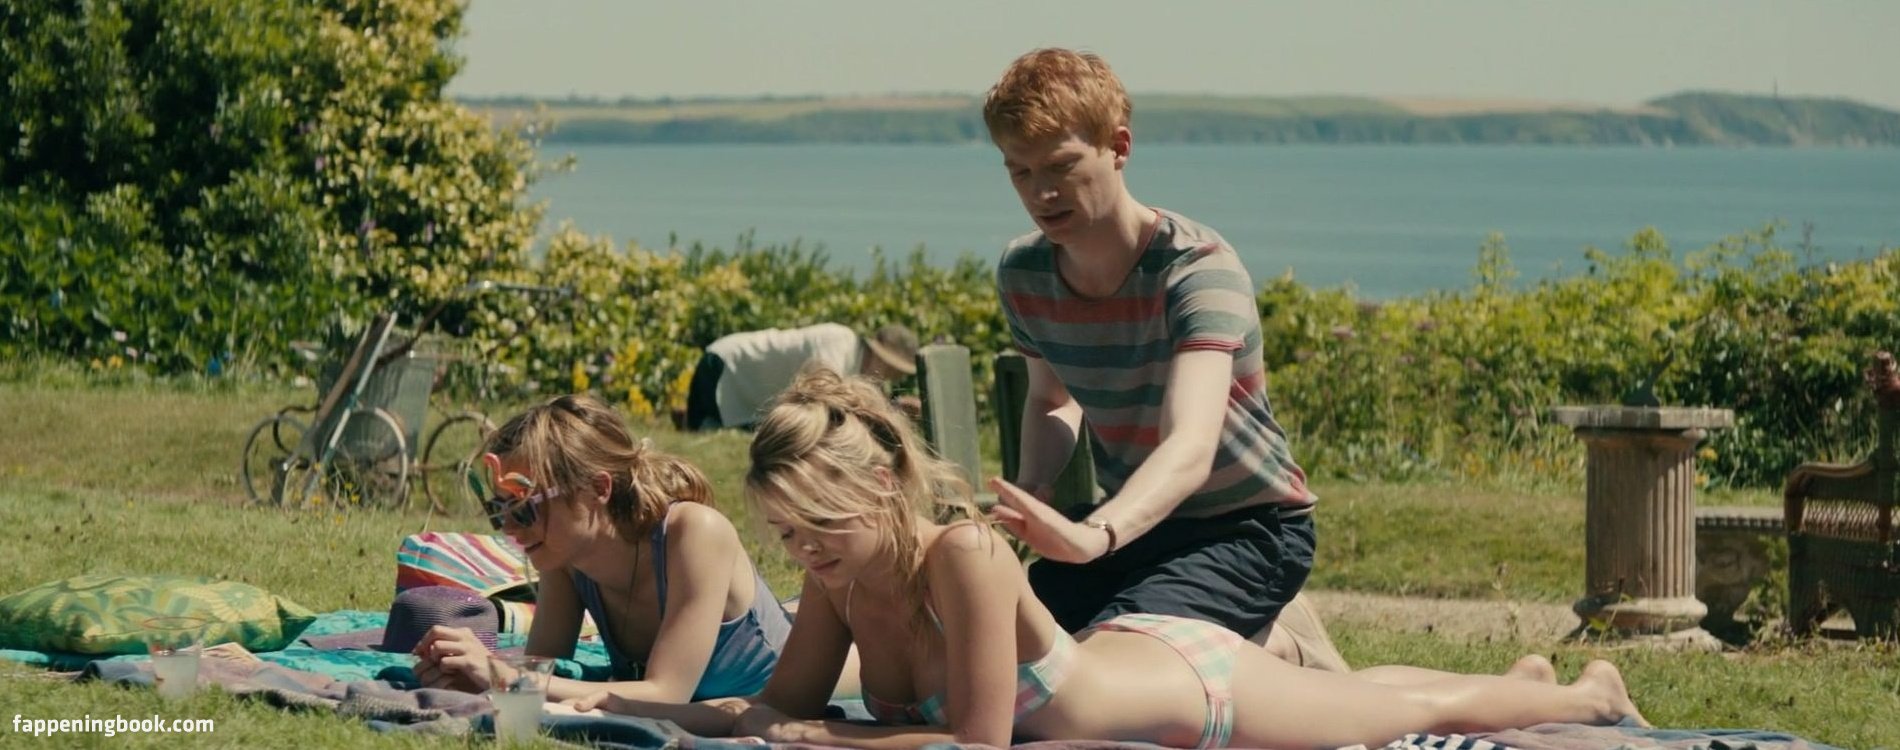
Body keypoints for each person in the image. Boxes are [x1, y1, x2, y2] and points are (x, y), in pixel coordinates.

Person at [569, 368, 1647, 749]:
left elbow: (976, 744)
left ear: (885, 488)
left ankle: (1587, 696)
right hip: (1133, 652)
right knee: (1368, 693)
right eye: (786, 535)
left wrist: (834, 740)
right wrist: (611, 712)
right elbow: (774, 710)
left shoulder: (964, 555)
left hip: (1192, 688)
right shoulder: (841, 582)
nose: (804, 553)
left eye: (820, 526)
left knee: (1402, 718)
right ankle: (1520, 678)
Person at [981, 47, 1321, 657]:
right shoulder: (1023, 271)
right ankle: (1250, 644)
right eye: (1020, 172)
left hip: (1250, 531)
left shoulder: (1197, 269)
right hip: (1138, 525)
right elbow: (1051, 400)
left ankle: (1283, 649)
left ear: (1118, 147)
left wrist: (1097, 534)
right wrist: (1031, 491)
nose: (1042, 192)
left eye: (1061, 165)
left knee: (1107, 663)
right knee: (998, 642)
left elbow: (1190, 446)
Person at [412, 394, 792, 704]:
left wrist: (502, 675)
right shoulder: (564, 557)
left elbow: (667, 693)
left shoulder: (695, 533)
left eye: (525, 508)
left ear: (598, 488)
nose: (509, 528)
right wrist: (478, 678)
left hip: (797, 687)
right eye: (498, 510)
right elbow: (541, 670)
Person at [683, 322, 920, 431]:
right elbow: (825, 398)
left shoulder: (855, 364)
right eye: (893, 369)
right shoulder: (840, 342)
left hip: (745, 384)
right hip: (724, 367)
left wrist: (895, 406)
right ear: (880, 357)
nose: (893, 377)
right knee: (701, 427)